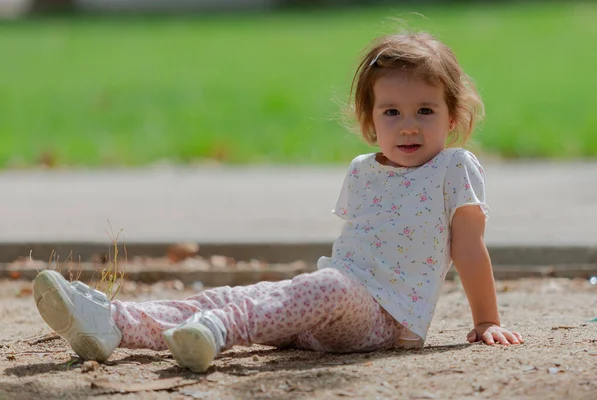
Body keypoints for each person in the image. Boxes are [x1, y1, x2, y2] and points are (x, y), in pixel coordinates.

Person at [33, 30, 523, 374]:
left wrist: (486, 321)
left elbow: (468, 250)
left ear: (453, 115)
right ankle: (113, 323)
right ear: (370, 120)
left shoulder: (453, 167)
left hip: (385, 320)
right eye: (391, 111)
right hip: (332, 305)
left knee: (318, 289)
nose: (408, 125)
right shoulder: (362, 170)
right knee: (238, 295)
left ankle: (216, 332)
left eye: (425, 110)